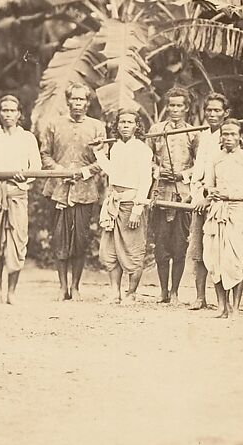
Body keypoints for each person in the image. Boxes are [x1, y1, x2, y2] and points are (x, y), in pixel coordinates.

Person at [38, 82, 107, 301]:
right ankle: (62, 287)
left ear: (88, 103)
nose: (77, 104)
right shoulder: (54, 124)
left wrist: (84, 172)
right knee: (59, 238)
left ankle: (76, 287)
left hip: (85, 191)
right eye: (74, 99)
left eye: (82, 100)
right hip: (58, 190)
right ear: (68, 101)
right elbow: (45, 154)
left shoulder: (98, 127)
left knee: (80, 239)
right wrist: (60, 170)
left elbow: (103, 160)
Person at [0, 94, 42, 304]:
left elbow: (36, 168)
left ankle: (11, 293)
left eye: (12, 110)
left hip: (17, 194)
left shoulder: (28, 138)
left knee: (17, 242)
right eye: (4, 110)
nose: (8, 114)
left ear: (19, 114)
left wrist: (25, 174)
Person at [200, 119, 243, 320]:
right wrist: (210, 195)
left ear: (240, 137)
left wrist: (232, 196)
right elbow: (208, 185)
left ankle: (235, 307)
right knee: (215, 258)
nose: (228, 138)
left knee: (235, 259)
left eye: (233, 134)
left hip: (237, 213)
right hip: (216, 213)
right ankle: (221, 306)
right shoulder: (215, 158)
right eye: (225, 134)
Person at [93, 109, 154, 304]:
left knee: (132, 250)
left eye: (130, 122)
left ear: (137, 126)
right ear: (117, 126)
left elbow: (146, 181)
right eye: (122, 122)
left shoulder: (143, 149)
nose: (125, 126)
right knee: (111, 250)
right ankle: (114, 292)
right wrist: (98, 152)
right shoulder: (116, 148)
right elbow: (112, 171)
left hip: (131, 203)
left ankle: (131, 293)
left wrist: (137, 209)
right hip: (114, 203)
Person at [146, 88, 198, 304]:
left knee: (179, 244)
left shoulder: (194, 132)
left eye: (179, 105)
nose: (175, 109)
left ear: (186, 108)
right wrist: (158, 171)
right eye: (172, 105)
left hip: (183, 196)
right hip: (160, 193)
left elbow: (200, 165)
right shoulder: (157, 130)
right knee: (161, 244)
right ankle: (163, 292)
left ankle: (175, 291)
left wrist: (182, 174)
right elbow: (146, 159)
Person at [187, 92, 230, 311]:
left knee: (218, 250)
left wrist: (208, 196)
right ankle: (200, 297)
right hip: (199, 199)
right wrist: (196, 195)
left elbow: (226, 173)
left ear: (226, 113)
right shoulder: (203, 135)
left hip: (219, 202)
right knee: (198, 250)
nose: (212, 114)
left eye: (217, 110)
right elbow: (198, 170)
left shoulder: (229, 136)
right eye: (209, 110)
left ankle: (222, 301)